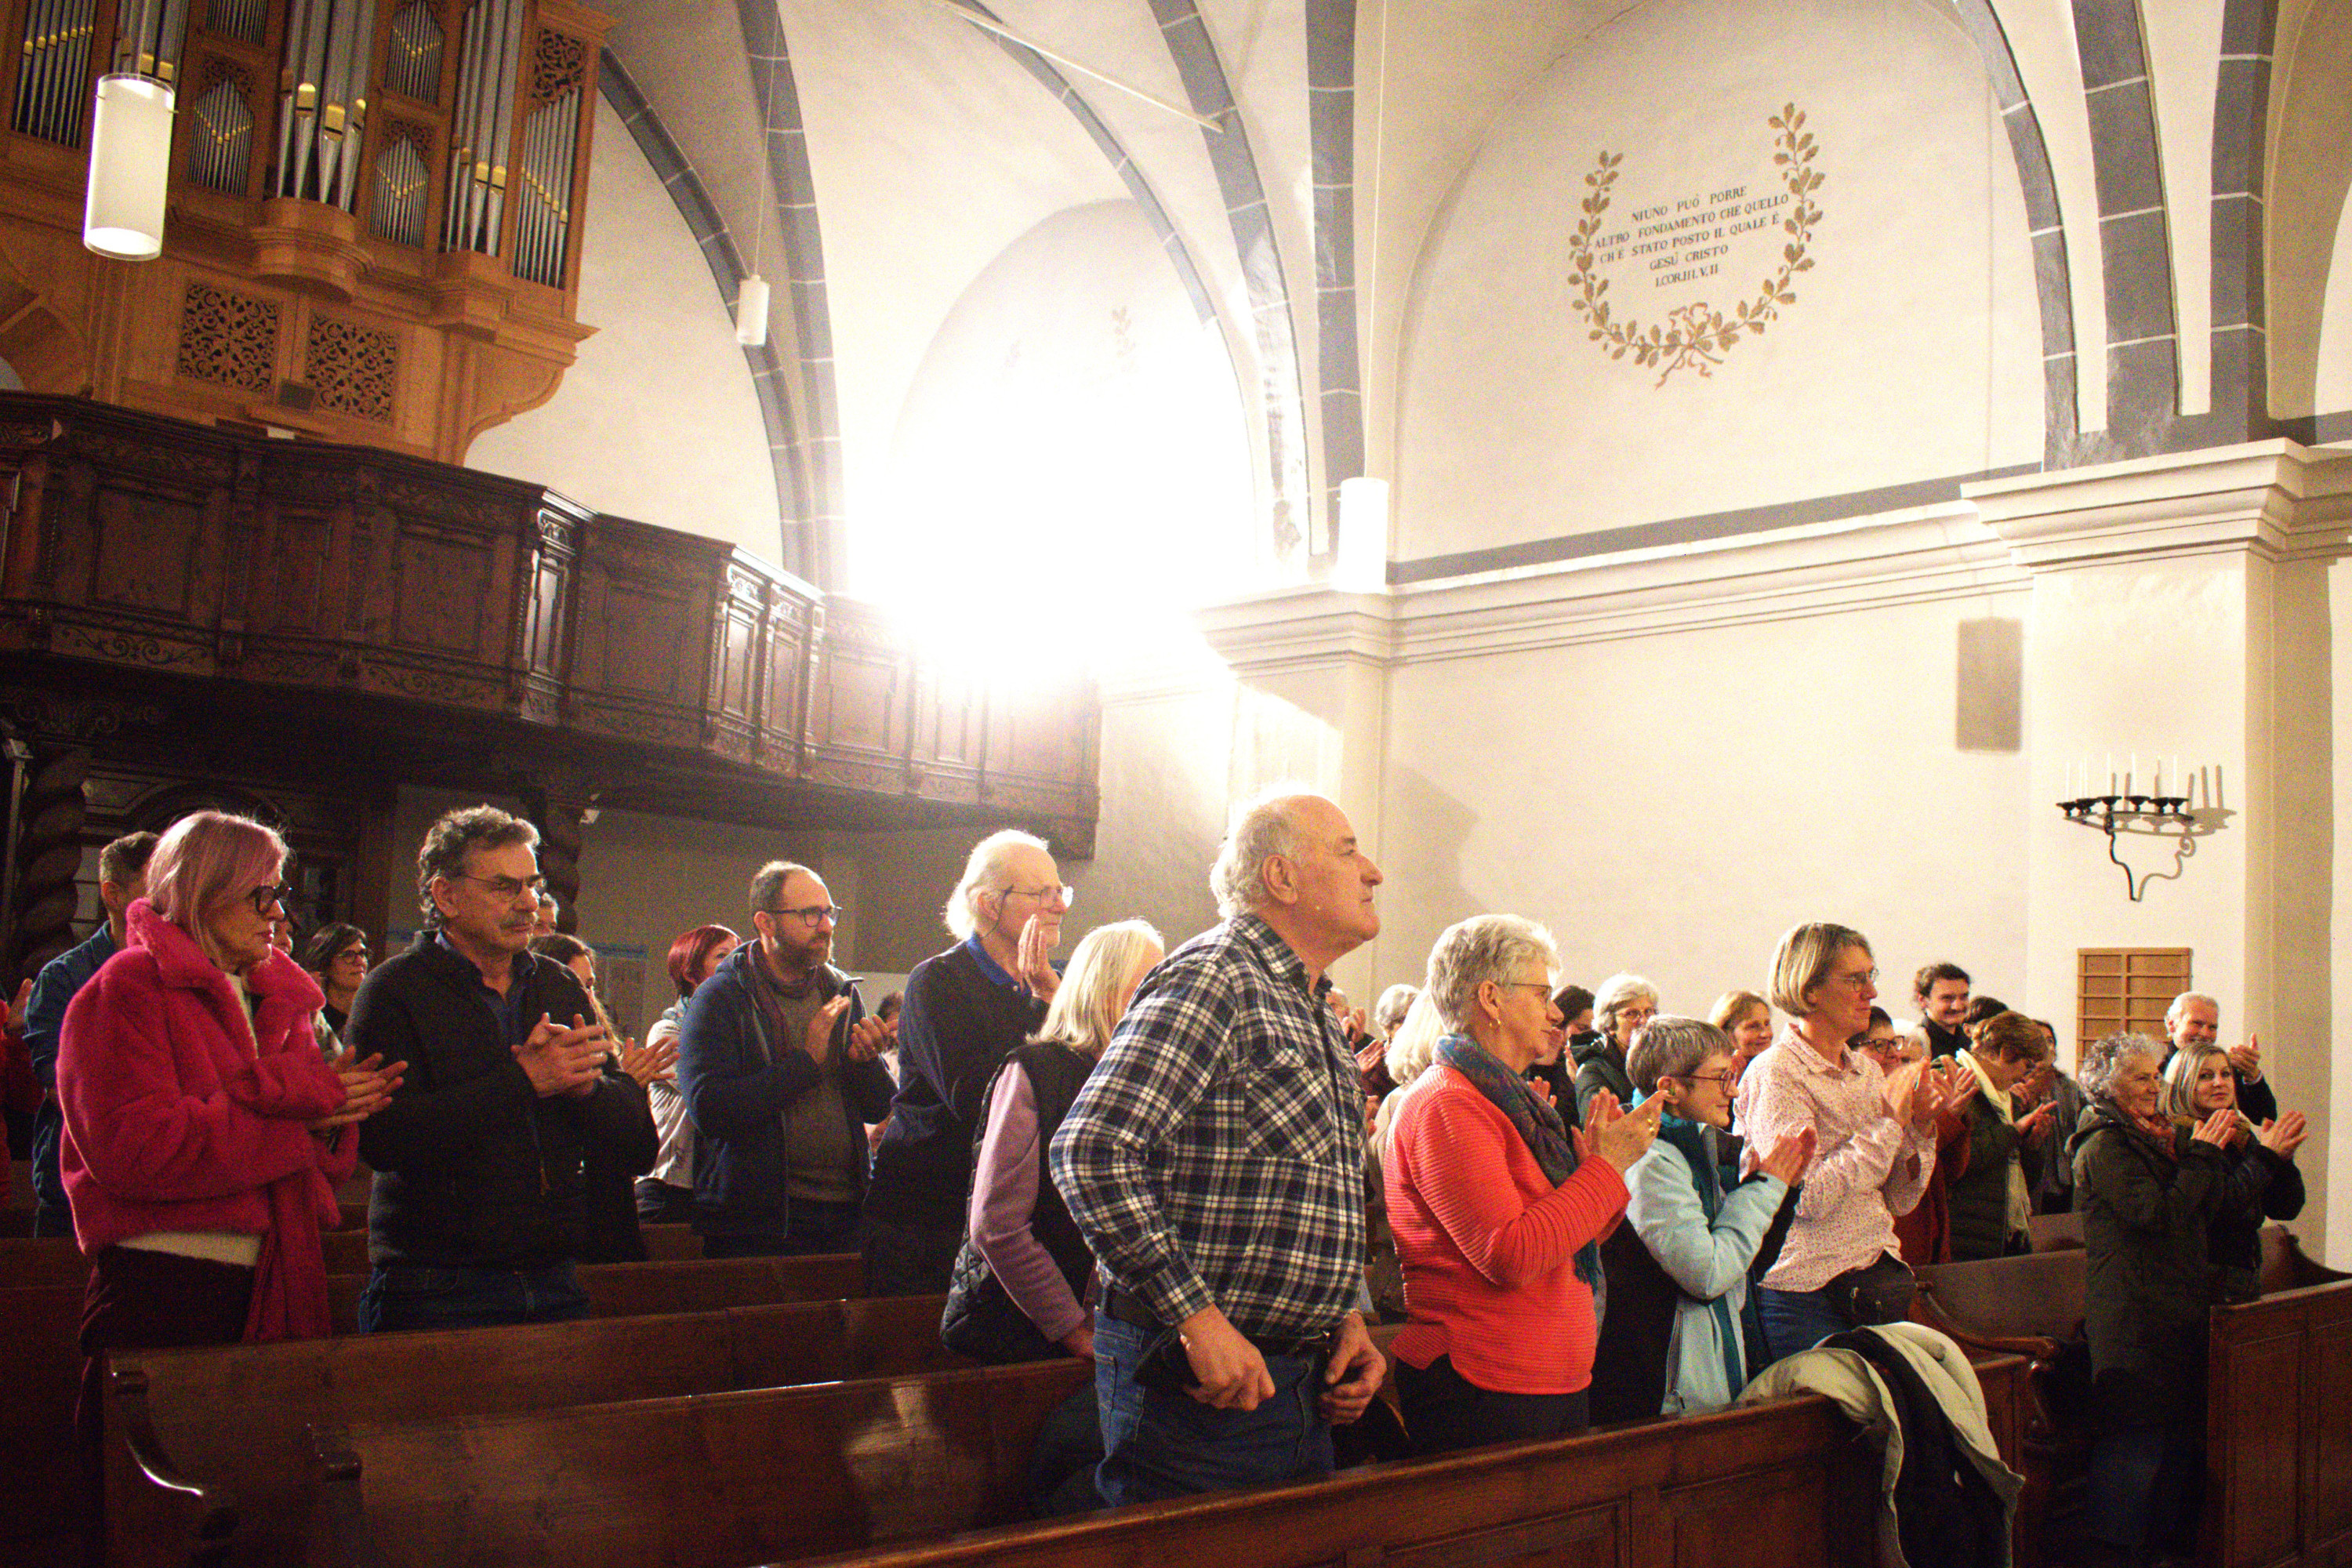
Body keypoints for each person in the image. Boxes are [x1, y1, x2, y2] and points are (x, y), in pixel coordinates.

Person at [1051, 789, 1387, 1504]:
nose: (1373, 871)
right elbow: (1093, 1151)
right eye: (1348, 852)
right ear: (1282, 877)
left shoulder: (1311, 1009)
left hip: (1297, 1379)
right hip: (1200, 1388)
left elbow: (1302, 1191)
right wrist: (1196, 1319)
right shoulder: (1216, 977)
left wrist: (1343, 1317)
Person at [57, 811, 402, 1429]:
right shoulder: (128, 987)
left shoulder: (277, 999)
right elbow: (135, 1150)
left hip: (274, 1268)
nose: (280, 914)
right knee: (152, 1476)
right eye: (260, 895)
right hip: (165, 1282)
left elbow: (313, 1160)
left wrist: (332, 1118)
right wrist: (295, 1120)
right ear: (203, 891)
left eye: (280, 895)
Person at [349, 807, 655, 1332]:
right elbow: (385, 1141)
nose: (528, 903)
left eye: (533, 885)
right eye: (504, 887)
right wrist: (525, 1081)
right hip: (437, 1282)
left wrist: (589, 1091)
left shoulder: (557, 985)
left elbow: (637, 1145)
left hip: (554, 1274)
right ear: (447, 896)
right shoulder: (395, 990)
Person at [1385, 915, 1660, 1452]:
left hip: (1538, 1379)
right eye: (1541, 994)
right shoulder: (1448, 1105)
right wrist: (1603, 1170)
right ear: (1491, 998)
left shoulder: (1510, 1103)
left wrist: (1600, 1168)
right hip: (1485, 1383)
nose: (1555, 1013)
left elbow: (1569, 1239)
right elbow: (1510, 1254)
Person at [2068, 1031, 2298, 1563]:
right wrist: (2203, 1155)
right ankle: (2114, 1554)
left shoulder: (2152, 1138)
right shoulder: (2105, 1145)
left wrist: (2257, 1159)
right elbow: (2158, 1215)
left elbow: (2209, 1206)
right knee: (2134, 1445)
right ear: (2108, 1086)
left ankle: (2157, 1549)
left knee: (2170, 1444)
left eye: (2155, 1075)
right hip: (2133, 1316)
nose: (2154, 1086)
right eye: (2140, 1078)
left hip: (2171, 1309)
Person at [1737, 922, 1969, 1362]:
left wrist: (1919, 1128)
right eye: (1855, 979)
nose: (1872, 992)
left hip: (1875, 1274)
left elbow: (1900, 1200)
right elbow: (1807, 1199)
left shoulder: (1867, 1071)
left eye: (1870, 976)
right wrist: (1888, 1125)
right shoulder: (1777, 1073)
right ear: (1810, 990)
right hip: (1806, 1290)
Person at [943, 919, 1164, 1363]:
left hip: (1120, 1332)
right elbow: (998, 1226)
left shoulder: (1150, 1080)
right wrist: (1072, 1329)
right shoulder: (1037, 1070)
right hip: (1022, 1329)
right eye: (1146, 987)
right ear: (1100, 990)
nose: (1162, 1004)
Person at [865, 830, 1065, 1295]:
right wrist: (1044, 1005)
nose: (1059, 906)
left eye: (1061, 891)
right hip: (927, 1217)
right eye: (1042, 893)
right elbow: (977, 1096)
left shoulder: (1055, 983)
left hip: (1012, 1218)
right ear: (988, 904)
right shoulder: (938, 981)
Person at [1594, 1015, 1809, 1421]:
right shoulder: (1650, 1161)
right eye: (1720, 1077)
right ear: (1670, 1088)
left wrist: (1782, 1190)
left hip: (1705, 1373)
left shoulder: (1697, 1146)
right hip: (1664, 1393)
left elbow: (1742, 1268)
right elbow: (1707, 1275)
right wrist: (1765, 1189)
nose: (1734, 1090)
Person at [676, 862, 893, 1258]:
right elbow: (710, 1110)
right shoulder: (722, 997)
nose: (826, 926)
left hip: (845, 1209)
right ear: (766, 922)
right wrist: (806, 1064)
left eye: (829, 913)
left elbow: (878, 1107)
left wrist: (865, 1062)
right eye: (810, 914)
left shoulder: (840, 991)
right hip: (758, 1221)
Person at [24, 830, 158, 1237]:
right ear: (113, 894)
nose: (171, 902)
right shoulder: (65, 978)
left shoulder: (181, 972)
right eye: (156, 886)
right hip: (77, 1190)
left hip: (157, 1190)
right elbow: (63, 1089)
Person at [528, 931, 672, 1262]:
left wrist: (629, 1090)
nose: (587, 997)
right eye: (576, 986)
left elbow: (642, 1158)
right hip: (561, 1231)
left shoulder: (609, 1057)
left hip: (612, 1225)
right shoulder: (531, 1057)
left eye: (590, 986)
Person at [2161, 1040, 2306, 1301]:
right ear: (2182, 1083)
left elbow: (2285, 1208)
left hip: (2242, 1272)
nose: (2220, 1083)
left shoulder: (2240, 1134)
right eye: (2205, 1076)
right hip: (2201, 1278)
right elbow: (2221, 1208)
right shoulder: (2179, 1137)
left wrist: (2283, 1160)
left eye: (2226, 1074)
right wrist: (2267, 1156)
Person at [637, 924, 739, 1224]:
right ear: (691, 972)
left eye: (738, 954)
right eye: (722, 956)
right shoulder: (667, 1030)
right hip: (669, 1186)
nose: (735, 964)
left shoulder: (738, 1026)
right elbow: (717, 1088)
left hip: (714, 1185)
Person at [1938, 1011, 2053, 1261]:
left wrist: (2032, 1145)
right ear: (2006, 1053)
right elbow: (1960, 1161)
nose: (2025, 1077)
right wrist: (2014, 1131)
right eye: (2027, 1065)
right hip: (1963, 1234)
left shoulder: (2007, 1098)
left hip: (2002, 1233)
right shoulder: (1950, 1080)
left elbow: (2025, 1179)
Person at [2161, 991, 2276, 1123]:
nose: (2205, 1034)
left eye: (2212, 1027)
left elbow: (2265, 1118)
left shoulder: (2221, 1068)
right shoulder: (2156, 1070)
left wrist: (2252, 1076)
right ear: (2171, 1025)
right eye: (2197, 1024)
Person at [1572, 971, 1657, 1127]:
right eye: (1632, 1013)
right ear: (1610, 1025)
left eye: (1649, 1011)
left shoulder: (1662, 1061)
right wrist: (1657, 1105)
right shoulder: (1592, 1071)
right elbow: (1599, 1125)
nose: (1644, 1021)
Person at [299, 922, 371, 1053]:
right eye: (348, 955)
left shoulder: (373, 1014)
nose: (360, 961)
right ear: (325, 963)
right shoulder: (313, 1018)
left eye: (362, 953)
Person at [1709, 989, 1774, 1080]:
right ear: (1725, 1033)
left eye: (1767, 1024)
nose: (1766, 1034)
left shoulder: (1778, 1069)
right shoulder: (1711, 1078)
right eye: (1753, 1026)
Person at [1912, 961, 1971, 1059]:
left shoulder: (1972, 1041)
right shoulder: (1916, 1046)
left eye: (1963, 997)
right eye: (1947, 998)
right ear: (1922, 1000)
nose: (1957, 1006)